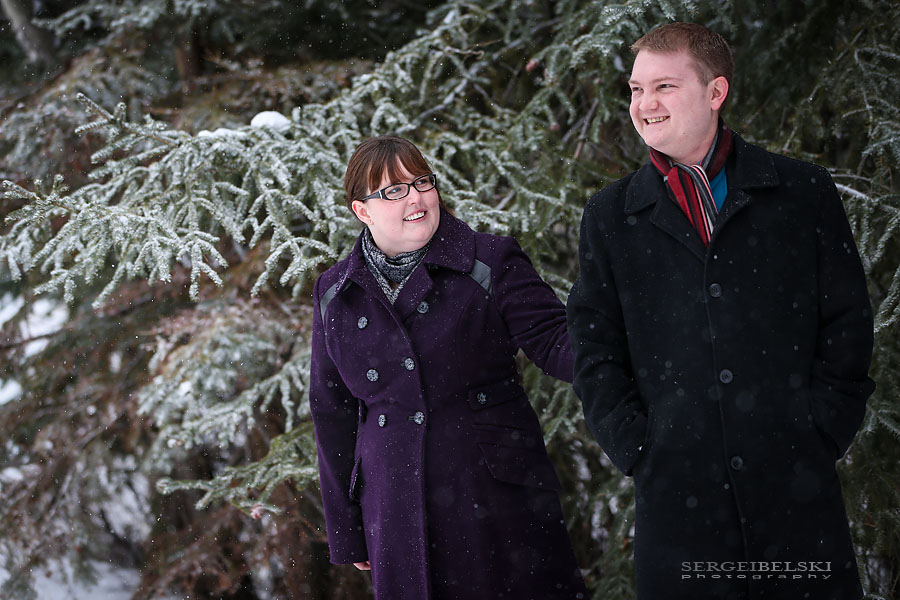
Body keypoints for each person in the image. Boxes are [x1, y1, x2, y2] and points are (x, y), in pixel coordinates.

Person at [567, 22, 874, 600]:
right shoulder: (610, 218)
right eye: (635, 89)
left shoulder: (801, 193)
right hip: (678, 499)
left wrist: (821, 428)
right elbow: (594, 346)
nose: (644, 104)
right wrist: (637, 445)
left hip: (794, 488)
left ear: (716, 92)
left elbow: (848, 323)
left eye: (663, 86)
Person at [309, 135, 588, 600]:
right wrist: (347, 527)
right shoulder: (335, 290)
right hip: (392, 502)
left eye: (422, 182)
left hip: (494, 493)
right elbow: (331, 410)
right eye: (394, 191)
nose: (415, 198)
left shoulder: (489, 260)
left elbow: (556, 342)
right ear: (363, 211)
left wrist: (625, 353)